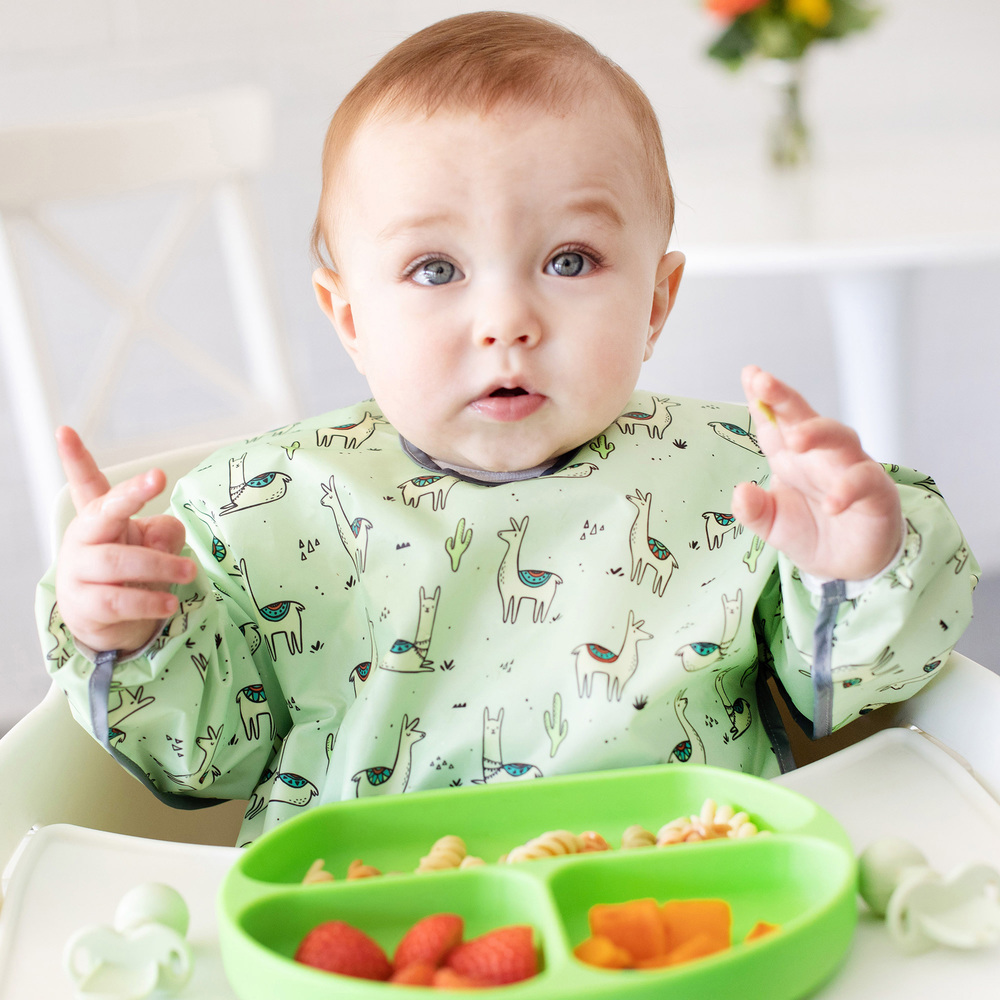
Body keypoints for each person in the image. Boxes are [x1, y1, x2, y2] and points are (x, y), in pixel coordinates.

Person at [38, 12, 977, 845]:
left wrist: (858, 565)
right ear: (351, 318)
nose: (506, 322)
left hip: (687, 904)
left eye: (570, 260)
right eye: (436, 269)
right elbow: (205, 761)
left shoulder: (742, 484)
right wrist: (130, 632)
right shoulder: (260, 510)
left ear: (655, 303)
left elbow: (860, 686)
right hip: (368, 920)